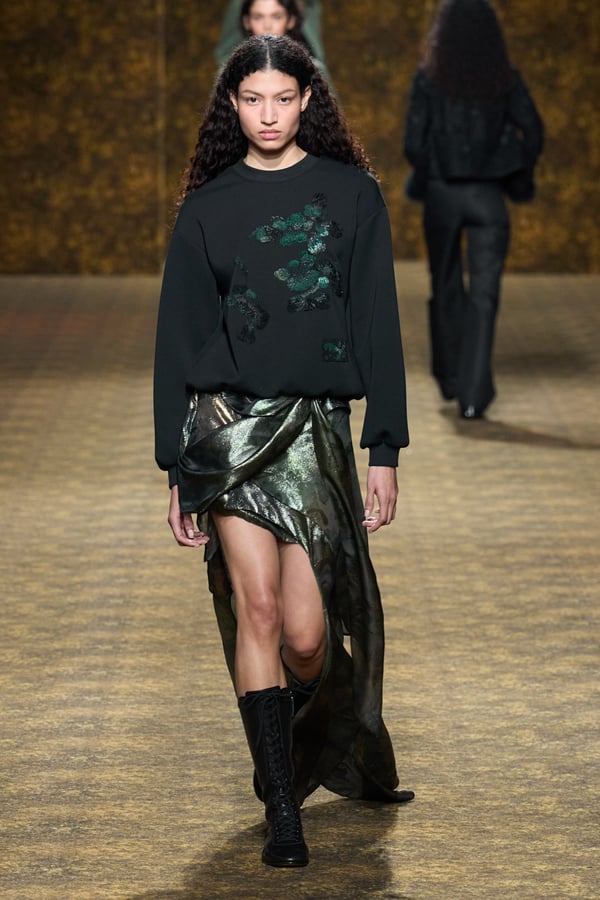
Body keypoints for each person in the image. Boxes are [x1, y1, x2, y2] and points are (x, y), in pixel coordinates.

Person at [154, 34, 414, 869]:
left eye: (283, 98)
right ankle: (280, 806)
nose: (268, 115)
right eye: (252, 99)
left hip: (314, 430)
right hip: (225, 428)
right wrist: (174, 466)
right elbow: (178, 339)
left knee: (306, 636)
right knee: (258, 608)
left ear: (308, 100)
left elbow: (378, 323)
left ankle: (314, 732)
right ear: (232, 106)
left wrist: (384, 447)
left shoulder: (352, 195)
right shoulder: (208, 206)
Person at [403, 0, 543, 419]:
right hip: (488, 195)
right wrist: (514, 171)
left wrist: (432, 169)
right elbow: (533, 131)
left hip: (443, 194)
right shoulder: (504, 79)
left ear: (443, 33)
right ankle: (472, 394)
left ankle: (450, 377)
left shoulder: (429, 78)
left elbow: (413, 143)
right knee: (485, 293)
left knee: (445, 282)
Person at [215, 0, 335, 92]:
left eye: (276, 17)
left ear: (291, 20)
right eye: (258, 17)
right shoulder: (232, 73)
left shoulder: (313, 70)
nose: (267, 26)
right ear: (247, 21)